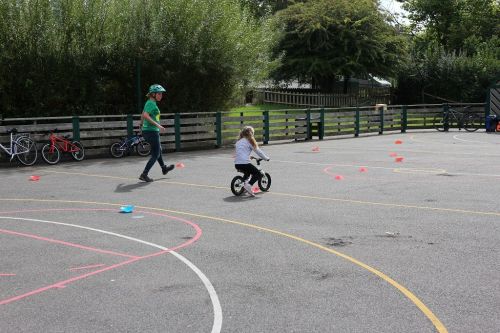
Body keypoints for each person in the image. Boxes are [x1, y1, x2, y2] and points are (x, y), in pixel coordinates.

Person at [138, 84, 174, 182]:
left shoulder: (150, 103)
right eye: (159, 94)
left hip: (149, 131)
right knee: (156, 154)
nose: (161, 95)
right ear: (153, 94)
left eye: (161, 94)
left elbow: (143, 113)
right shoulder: (151, 103)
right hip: (151, 131)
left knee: (159, 150)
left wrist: (141, 125)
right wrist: (158, 126)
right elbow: (145, 115)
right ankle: (144, 174)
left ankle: (164, 168)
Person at [234, 126, 270, 196]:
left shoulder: (239, 142)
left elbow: (241, 151)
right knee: (258, 174)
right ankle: (248, 186)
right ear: (251, 133)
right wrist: (266, 158)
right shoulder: (249, 141)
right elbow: (258, 152)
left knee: (247, 173)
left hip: (237, 163)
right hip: (244, 163)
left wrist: (248, 156)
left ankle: (243, 186)